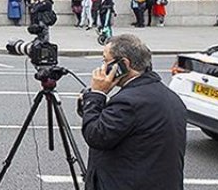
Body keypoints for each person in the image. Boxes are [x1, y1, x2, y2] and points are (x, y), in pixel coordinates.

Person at [80, 34, 187, 190]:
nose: (102, 67)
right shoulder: (169, 96)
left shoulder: (128, 102)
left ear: (124, 64)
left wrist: (96, 95)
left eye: (105, 61)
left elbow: (96, 136)